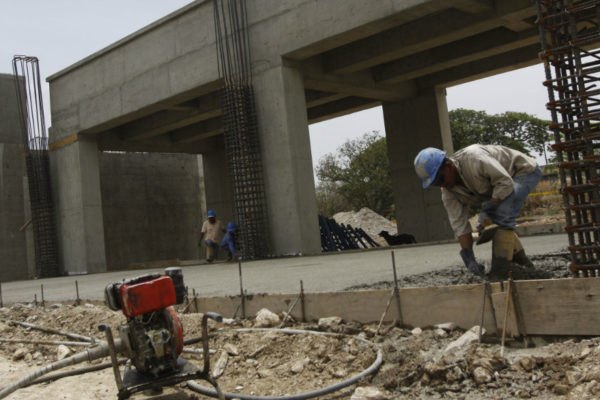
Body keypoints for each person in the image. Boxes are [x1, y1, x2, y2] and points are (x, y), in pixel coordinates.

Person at [414, 144, 542, 276]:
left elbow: (504, 182)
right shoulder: (449, 193)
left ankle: (501, 270)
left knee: (501, 215)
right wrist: (469, 257)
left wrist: (490, 207)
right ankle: (523, 263)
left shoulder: (474, 159)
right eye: (435, 183)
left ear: (449, 166)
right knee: (498, 219)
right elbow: (459, 224)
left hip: (522, 172)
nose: (441, 184)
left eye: (440, 178)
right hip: (501, 186)